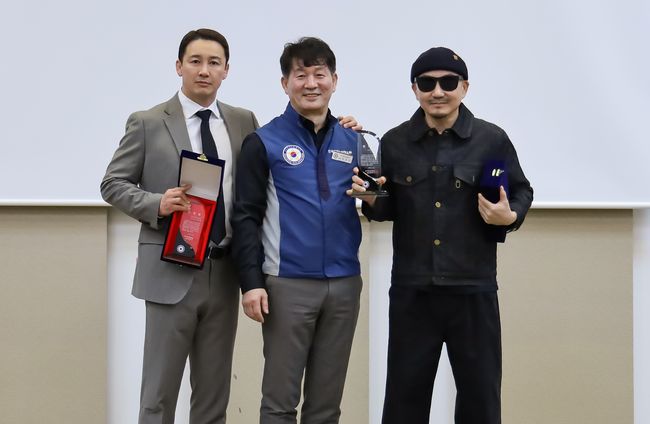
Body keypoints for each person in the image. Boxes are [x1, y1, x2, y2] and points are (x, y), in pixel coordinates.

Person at [349, 47, 533, 424]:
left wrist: (510, 215)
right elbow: (387, 207)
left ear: (464, 87)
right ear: (414, 89)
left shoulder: (491, 139)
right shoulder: (395, 142)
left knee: (480, 399)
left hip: (473, 290)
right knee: (404, 398)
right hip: (413, 293)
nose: (438, 91)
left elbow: (521, 190)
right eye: (427, 83)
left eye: (448, 82)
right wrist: (370, 200)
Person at [100, 28, 259, 424]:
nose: (204, 70)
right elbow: (112, 184)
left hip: (224, 271)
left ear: (226, 70)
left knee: (213, 396)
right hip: (170, 268)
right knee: (158, 395)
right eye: (195, 61)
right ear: (179, 66)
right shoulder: (149, 122)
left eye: (214, 63)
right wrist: (157, 203)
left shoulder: (243, 122)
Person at [232, 37, 363, 424]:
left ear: (334, 80)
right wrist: (251, 283)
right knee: (279, 402)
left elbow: (381, 204)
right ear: (284, 83)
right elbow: (245, 217)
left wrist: (377, 198)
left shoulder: (356, 140)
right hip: (286, 285)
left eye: (319, 74)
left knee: (326, 405)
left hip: (344, 284)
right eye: (300, 75)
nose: (311, 84)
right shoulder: (263, 142)